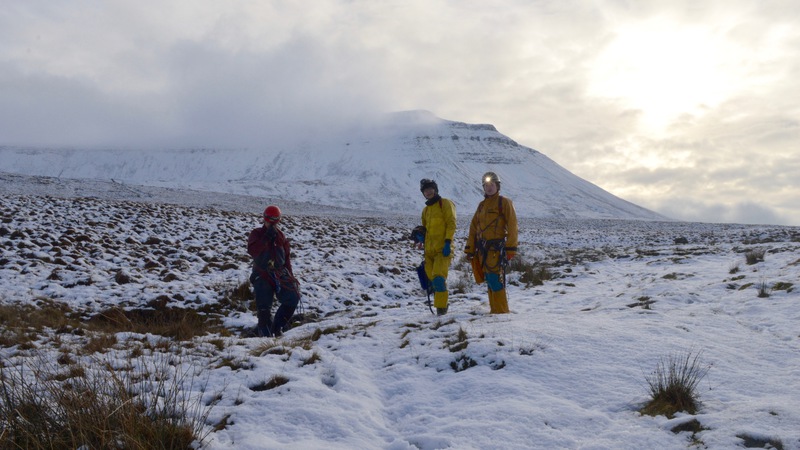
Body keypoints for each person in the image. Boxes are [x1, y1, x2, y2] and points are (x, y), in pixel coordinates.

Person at [464, 172, 518, 314]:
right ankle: (494, 311)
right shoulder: (481, 206)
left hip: (496, 249)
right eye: (486, 185)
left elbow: (512, 225)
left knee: (494, 279)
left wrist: (511, 249)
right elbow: (473, 228)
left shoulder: (504, 202)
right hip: (482, 250)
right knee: (488, 279)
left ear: (497, 186)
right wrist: (470, 249)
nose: (489, 188)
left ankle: (501, 312)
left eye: (492, 185)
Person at [247, 205, 301, 337]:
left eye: (274, 221)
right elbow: (253, 251)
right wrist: (266, 238)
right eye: (269, 221)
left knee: (293, 298)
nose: (271, 224)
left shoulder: (281, 236)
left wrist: (291, 276)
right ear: (264, 219)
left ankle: (277, 328)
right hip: (262, 274)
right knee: (264, 309)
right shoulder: (256, 234)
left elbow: (286, 259)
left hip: (279, 274)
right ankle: (264, 335)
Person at [418, 179, 457, 315]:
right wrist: (420, 237)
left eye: (430, 189)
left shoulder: (445, 203)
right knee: (433, 281)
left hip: (443, 250)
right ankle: (441, 305)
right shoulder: (425, 210)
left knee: (439, 279)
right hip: (429, 252)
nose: (428, 192)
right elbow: (425, 230)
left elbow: (451, 223)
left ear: (435, 189)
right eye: (425, 190)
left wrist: (448, 242)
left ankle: (442, 310)